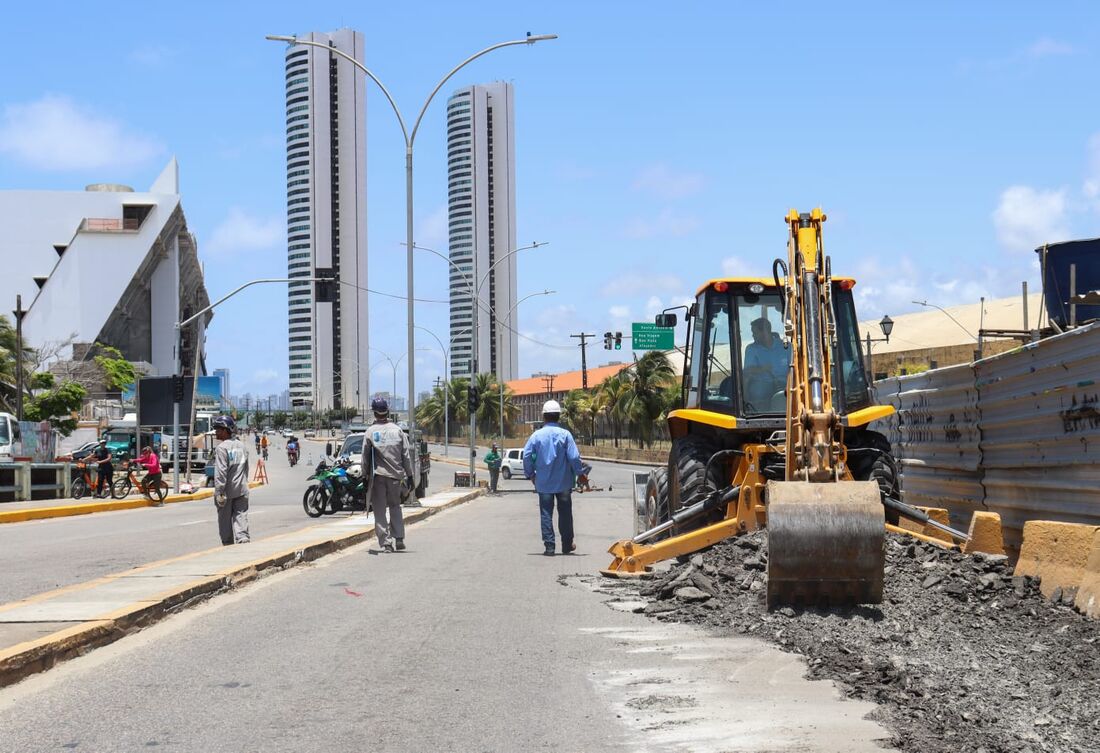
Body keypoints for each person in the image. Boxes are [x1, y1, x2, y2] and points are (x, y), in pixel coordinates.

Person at [523, 400, 587, 556]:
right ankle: (566, 545)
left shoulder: (536, 436)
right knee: (565, 513)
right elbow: (573, 457)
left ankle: (550, 547)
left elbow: (526, 456)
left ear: (544, 416)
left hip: (543, 483)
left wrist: (531, 474)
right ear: (559, 416)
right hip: (564, 483)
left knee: (546, 513)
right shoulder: (565, 435)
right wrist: (581, 473)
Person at [363, 397, 414, 553]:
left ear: (374, 413)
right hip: (395, 478)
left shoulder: (370, 431)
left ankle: (386, 543)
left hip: (378, 477)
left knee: (379, 510)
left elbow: (365, 457)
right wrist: (410, 476)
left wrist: (364, 476)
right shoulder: (397, 430)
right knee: (395, 506)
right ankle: (399, 538)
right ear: (387, 411)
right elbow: (406, 455)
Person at [212, 415, 250, 546]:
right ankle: (243, 540)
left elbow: (221, 472)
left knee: (224, 520)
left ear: (225, 430)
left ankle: (228, 545)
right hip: (242, 489)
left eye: (218, 429)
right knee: (241, 516)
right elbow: (246, 468)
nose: (216, 432)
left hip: (226, 492)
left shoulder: (222, 448)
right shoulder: (242, 446)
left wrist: (219, 492)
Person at [743, 317, 790, 409]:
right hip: (762, 384)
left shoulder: (786, 347)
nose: (753, 336)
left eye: (755, 333)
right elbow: (747, 371)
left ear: (765, 332)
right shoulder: (751, 349)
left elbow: (794, 369)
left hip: (785, 385)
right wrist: (762, 369)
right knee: (758, 392)